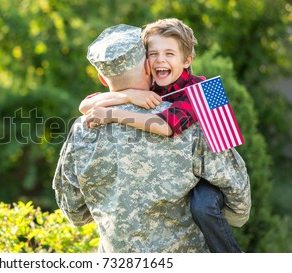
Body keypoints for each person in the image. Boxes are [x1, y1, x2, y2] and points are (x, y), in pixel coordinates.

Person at [52, 24, 251, 252]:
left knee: (205, 205)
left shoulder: (83, 129)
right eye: (154, 55)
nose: (160, 61)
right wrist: (129, 96)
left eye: (169, 54)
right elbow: (238, 196)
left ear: (100, 76)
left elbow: (75, 213)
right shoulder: (192, 127)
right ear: (148, 65)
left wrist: (115, 111)